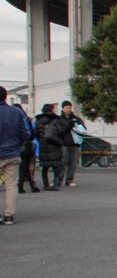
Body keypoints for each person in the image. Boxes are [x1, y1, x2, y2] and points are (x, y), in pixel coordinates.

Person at [0, 87, 30, 224]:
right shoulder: (16, 112)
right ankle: (8, 215)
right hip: (12, 153)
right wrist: (18, 146)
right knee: (11, 185)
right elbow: (25, 133)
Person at [34, 103, 69, 190]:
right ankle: (56, 184)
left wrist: (41, 140)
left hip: (43, 146)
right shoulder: (56, 119)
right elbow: (61, 131)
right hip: (55, 145)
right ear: (51, 110)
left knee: (45, 167)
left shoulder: (38, 120)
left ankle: (46, 185)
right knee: (56, 166)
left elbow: (35, 133)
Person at [13, 104, 40, 193]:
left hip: (17, 146)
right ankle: (32, 185)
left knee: (23, 167)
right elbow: (31, 134)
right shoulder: (26, 119)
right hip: (27, 146)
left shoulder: (14, 119)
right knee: (26, 167)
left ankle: (21, 186)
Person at [58, 100, 85, 187]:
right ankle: (58, 180)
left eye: (69, 107)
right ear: (63, 108)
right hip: (64, 143)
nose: (68, 109)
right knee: (62, 162)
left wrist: (79, 128)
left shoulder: (76, 119)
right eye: (66, 108)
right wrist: (68, 126)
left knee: (73, 163)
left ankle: (69, 180)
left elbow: (83, 129)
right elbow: (59, 131)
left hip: (75, 143)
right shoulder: (59, 119)